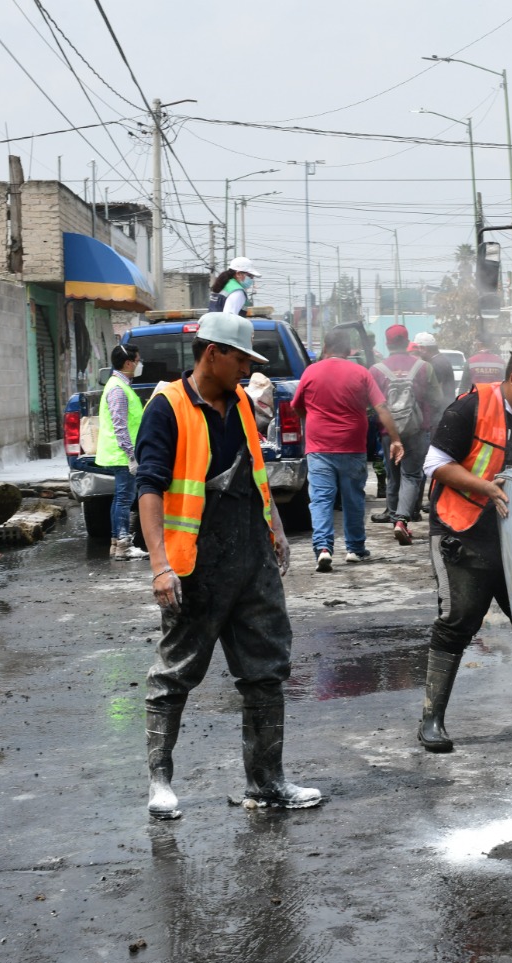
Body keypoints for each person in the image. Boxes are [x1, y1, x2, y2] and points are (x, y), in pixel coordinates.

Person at [133, 312, 318, 820]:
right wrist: (159, 565)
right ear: (212, 353)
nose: (246, 369)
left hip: (251, 555)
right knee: (175, 673)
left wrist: (276, 529)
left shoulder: (237, 402)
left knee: (265, 670)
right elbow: (148, 487)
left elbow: (256, 471)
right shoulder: (167, 407)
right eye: (240, 358)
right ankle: (160, 782)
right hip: (196, 564)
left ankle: (267, 782)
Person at [415, 340, 512, 753]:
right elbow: (434, 464)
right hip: (462, 531)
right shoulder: (470, 407)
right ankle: (432, 719)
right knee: (458, 621)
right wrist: (485, 487)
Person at [291, 330, 404, 572]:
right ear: (349, 351)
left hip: (319, 446)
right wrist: (395, 438)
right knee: (353, 497)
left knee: (321, 499)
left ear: (325, 348)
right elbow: (381, 407)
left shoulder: (311, 372)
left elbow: (297, 407)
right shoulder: (361, 372)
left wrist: (314, 421)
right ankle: (354, 549)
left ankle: (323, 548)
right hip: (352, 445)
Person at [370, 326, 446, 545]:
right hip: (417, 429)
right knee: (411, 476)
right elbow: (437, 398)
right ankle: (402, 520)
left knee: (393, 476)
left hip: (387, 432)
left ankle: (395, 517)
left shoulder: (376, 369)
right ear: (407, 342)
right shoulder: (424, 367)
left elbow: (371, 404)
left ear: (387, 343)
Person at [99, 343, 147, 561]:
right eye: (137, 361)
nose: (139, 364)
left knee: (120, 498)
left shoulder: (120, 384)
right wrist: (131, 455)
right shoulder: (118, 388)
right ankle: (123, 545)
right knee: (124, 499)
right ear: (128, 363)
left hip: (119, 453)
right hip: (122, 454)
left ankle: (116, 543)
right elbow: (120, 425)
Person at [410, 331, 459, 409]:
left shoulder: (435, 364)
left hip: (440, 410)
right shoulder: (441, 360)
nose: (417, 353)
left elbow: (434, 392)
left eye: (417, 350)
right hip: (446, 407)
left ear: (423, 349)